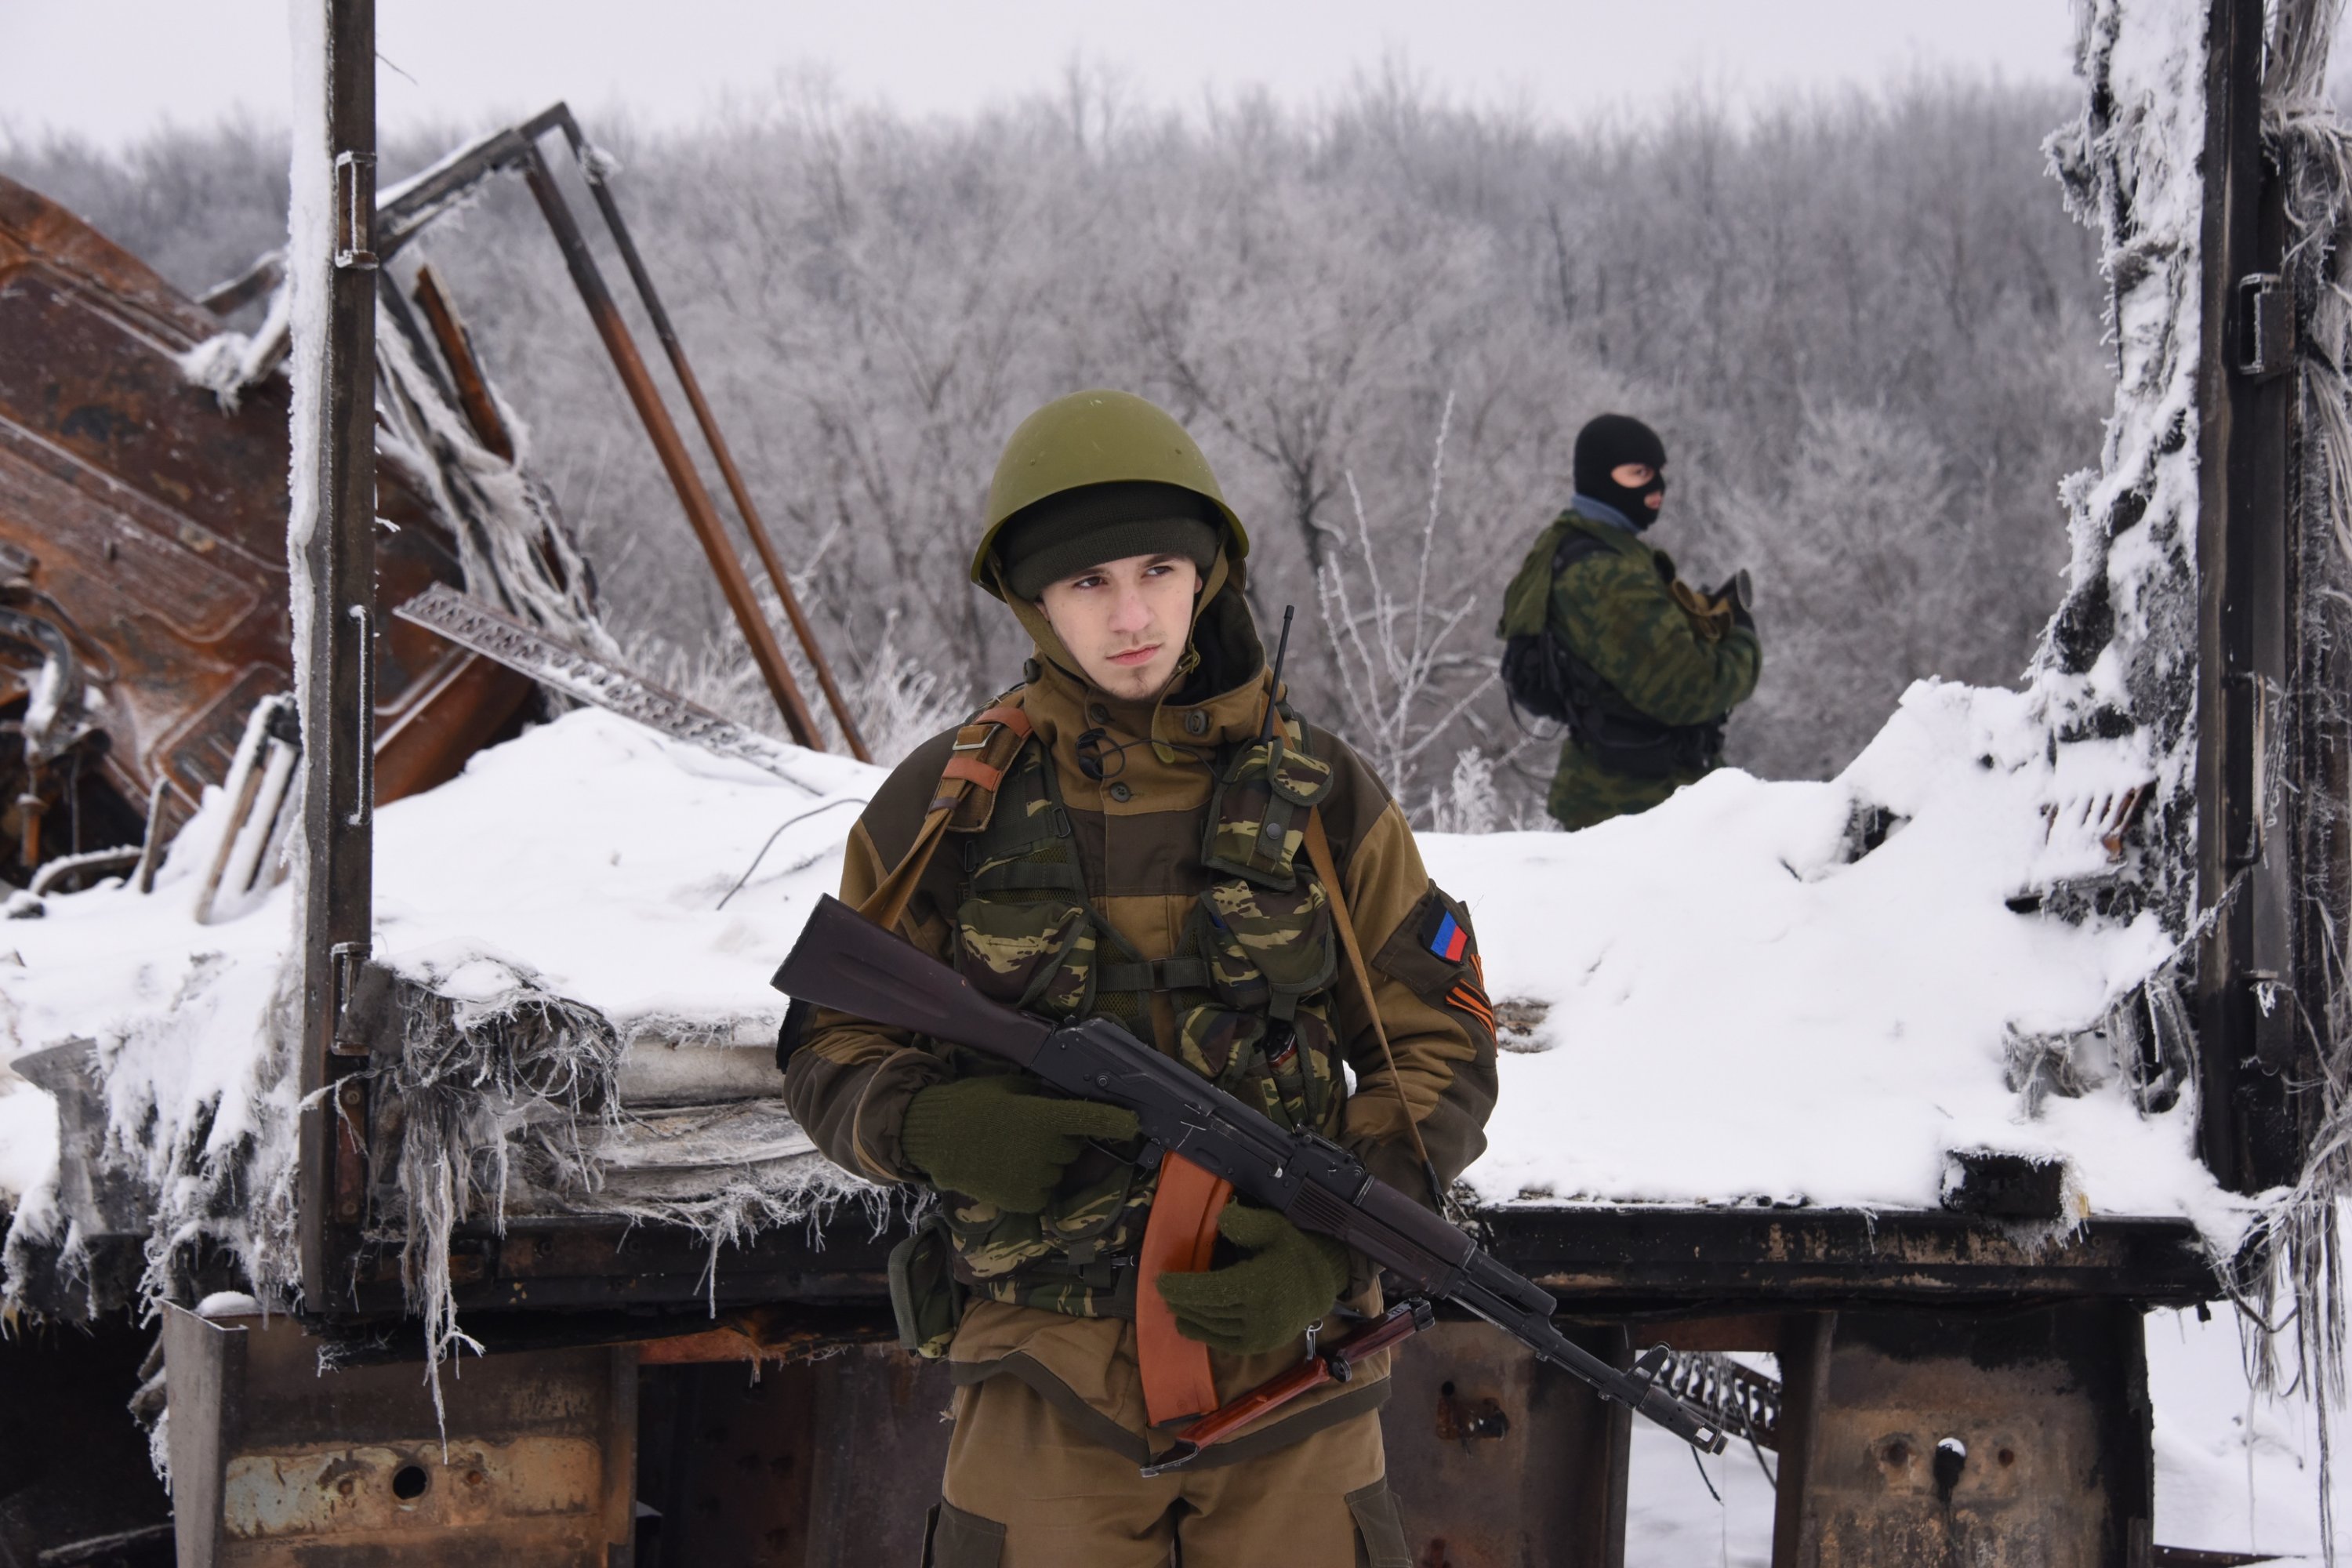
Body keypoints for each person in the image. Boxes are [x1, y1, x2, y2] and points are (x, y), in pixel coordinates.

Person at [781, 389, 1497, 1568]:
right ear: (1034, 602)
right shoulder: (950, 802)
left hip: (1292, 1357)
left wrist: (1339, 1246)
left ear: (1207, 574)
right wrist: (934, 1123)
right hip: (1038, 1368)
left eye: (1159, 570)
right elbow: (828, 1042)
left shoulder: (1327, 797)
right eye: (1088, 584)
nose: (1130, 617)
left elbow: (1441, 1047)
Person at [1498, 413, 1762, 830]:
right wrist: (1742, 640)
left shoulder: (1584, 546)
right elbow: (1691, 689)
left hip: (1629, 799)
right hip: (1637, 810)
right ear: (1601, 476)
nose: (1656, 487)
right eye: (1638, 473)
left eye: (1658, 472)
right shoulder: (1605, 574)